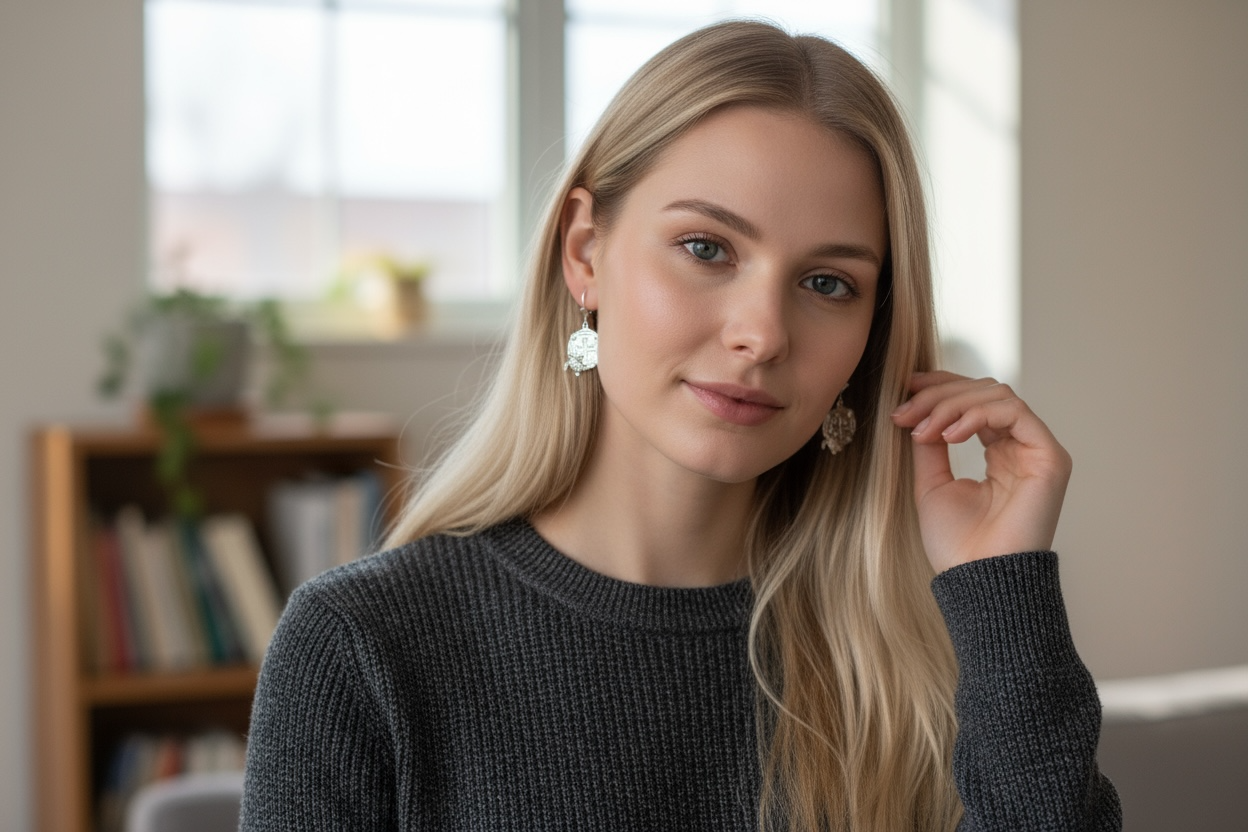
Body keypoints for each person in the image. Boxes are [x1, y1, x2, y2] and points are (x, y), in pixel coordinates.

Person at [241, 20, 1121, 832]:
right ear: (585, 253)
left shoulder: (925, 666)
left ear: (870, 335)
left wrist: (1004, 584)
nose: (763, 333)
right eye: (707, 248)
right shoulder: (363, 648)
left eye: (828, 284)